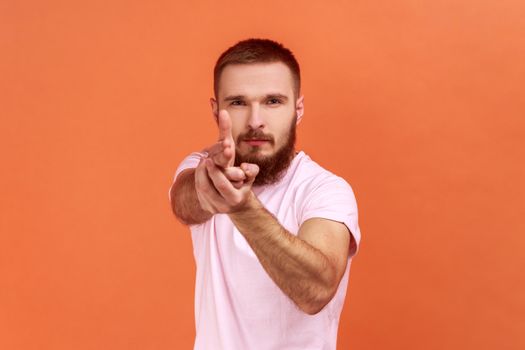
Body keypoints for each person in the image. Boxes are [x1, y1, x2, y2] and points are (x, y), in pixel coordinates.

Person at [169, 38, 361, 350]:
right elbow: (184, 203)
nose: (256, 121)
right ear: (216, 111)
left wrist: (242, 208)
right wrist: (211, 186)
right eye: (238, 103)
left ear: (298, 109)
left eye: (272, 101)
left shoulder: (325, 189)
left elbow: (315, 290)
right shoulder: (202, 169)